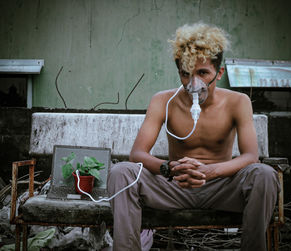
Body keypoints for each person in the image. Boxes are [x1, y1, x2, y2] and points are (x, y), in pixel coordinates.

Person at [107, 22, 280, 251]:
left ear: (219, 73)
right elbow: (137, 153)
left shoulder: (238, 102)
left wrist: (210, 171)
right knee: (121, 173)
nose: (193, 83)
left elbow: (250, 157)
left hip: (221, 187)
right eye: (186, 74)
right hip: (175, 185)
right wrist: (170, 168)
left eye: (202, 73)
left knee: (265, 176)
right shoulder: (163, 101)